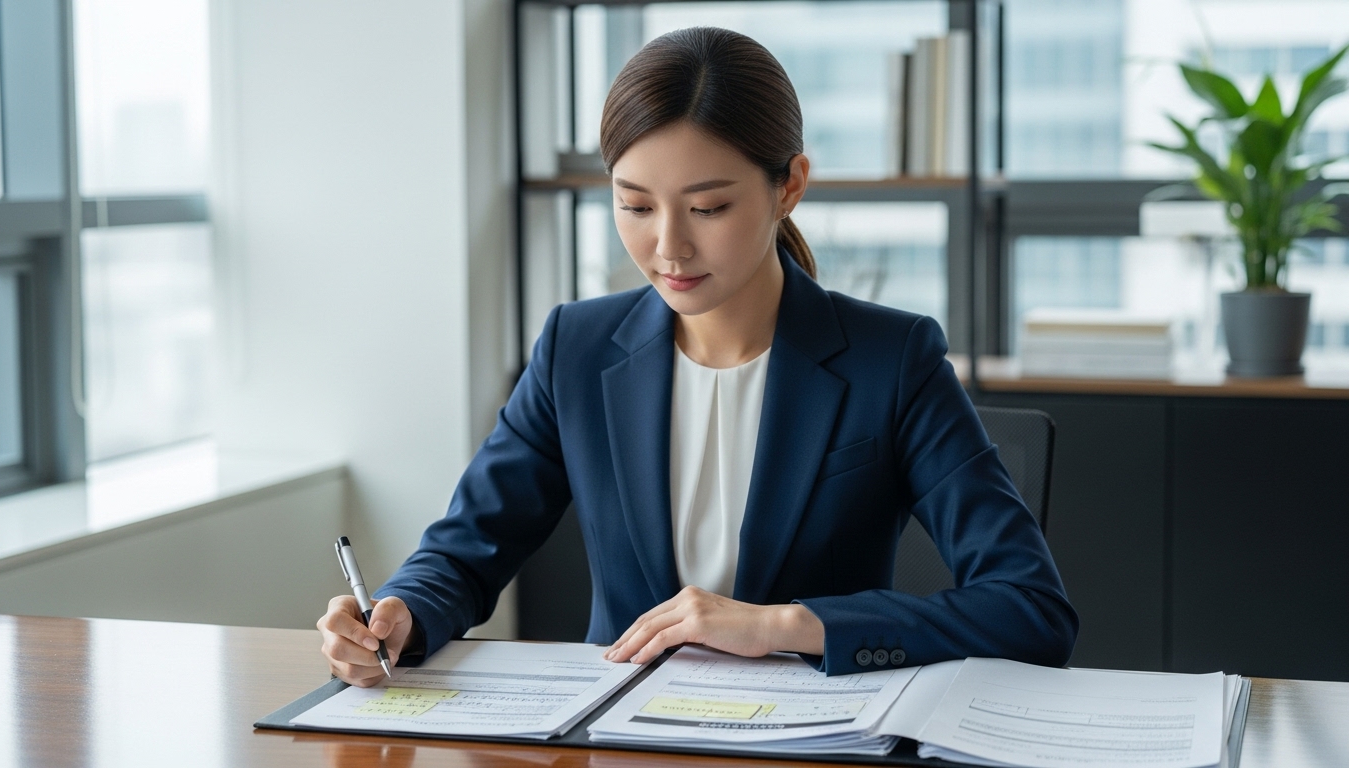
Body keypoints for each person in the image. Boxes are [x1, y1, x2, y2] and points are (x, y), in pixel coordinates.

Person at [318, 27, 1077, 686]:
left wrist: (782, 625)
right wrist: (399, 617)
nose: (668, 246)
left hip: (810, 744)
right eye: (635, 205)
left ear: (790, 187)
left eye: (709, 208)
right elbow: (463, 554)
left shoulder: (893, 359)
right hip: (623, 739)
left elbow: (1029, 607)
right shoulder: (574, 351)